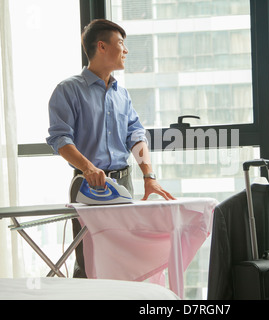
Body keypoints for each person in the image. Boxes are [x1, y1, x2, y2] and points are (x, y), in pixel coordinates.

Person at [46, 19, 175, 278]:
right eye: (121, 44)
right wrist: (89, 167)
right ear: (102, 47)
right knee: (89, 259)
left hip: (124, 181)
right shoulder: (68, 90)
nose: (126, 50)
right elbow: (60, 139)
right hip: (88, 183)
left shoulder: (121, 94)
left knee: (127, 257)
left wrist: (149, 176)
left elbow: (136, 136)